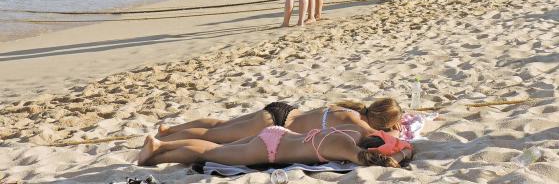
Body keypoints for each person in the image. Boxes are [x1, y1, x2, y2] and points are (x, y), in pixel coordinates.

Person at [138, 123, 412, 168]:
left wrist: (398, 143)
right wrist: (404, 152)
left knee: (214, 146)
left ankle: (163, 142)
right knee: (210, 153)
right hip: (270, 150)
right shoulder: (348, 149)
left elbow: (382, 139)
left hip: (277, 134)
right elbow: (380, 162)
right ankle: (153, 158)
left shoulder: (350, 132)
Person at [155, 98, 403, 144]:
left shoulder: (351, 107)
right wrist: (395, 131)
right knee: (212, 138)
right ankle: (168, 137)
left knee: (220, 125)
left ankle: (170, 129)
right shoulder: (360, 124)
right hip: (276, 123)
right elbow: (384, 141)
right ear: (382, 122)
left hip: (282, 109)